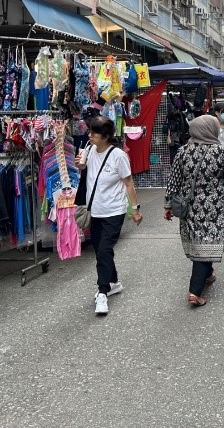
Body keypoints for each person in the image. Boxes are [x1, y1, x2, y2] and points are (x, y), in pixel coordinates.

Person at [165, 115, 224, 306]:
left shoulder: (183, 151)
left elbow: (174, 181)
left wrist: (168, 205)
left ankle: (208, 273)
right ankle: (194, 292)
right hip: (215, 206)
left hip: (190, 205)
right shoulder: (221, 152)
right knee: (209, 240)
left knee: (199, 242)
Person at [77, 117, 143, 316]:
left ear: (105, 136)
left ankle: (102, 292)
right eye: (89, 131)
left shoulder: (118, 156)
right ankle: (113, 281)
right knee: (101, 251)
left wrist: (135, 209)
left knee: (104, 250)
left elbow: (128, 183)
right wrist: (81, 166)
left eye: (94, 133)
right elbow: (87, 173)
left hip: (114, 211)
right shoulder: (89, 150)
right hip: (95, 210)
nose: (90, 135)